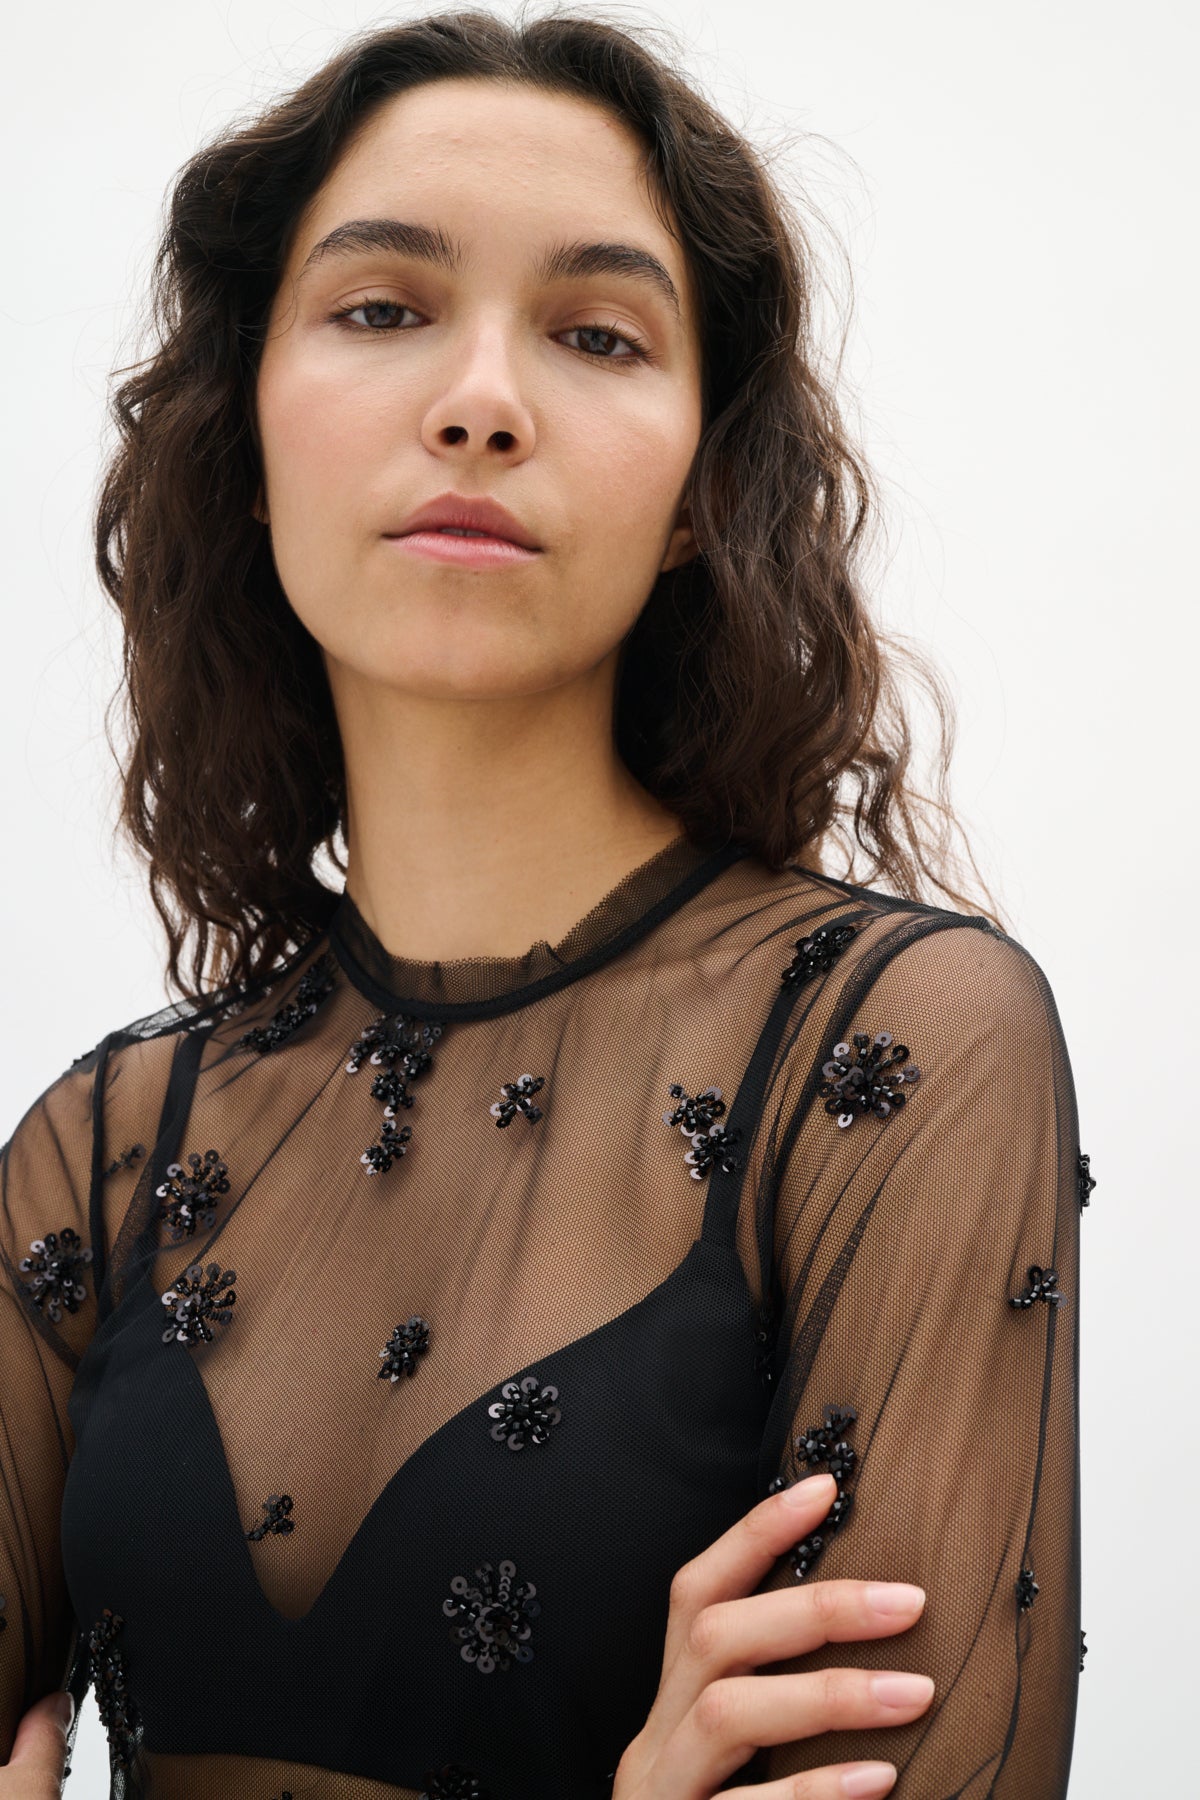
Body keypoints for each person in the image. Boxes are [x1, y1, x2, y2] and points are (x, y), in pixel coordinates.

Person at [0, 9, 1085, 1798]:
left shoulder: (894, 1051)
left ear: (695, 492)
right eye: (379, 308)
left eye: (596, 335)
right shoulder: (105, 1151)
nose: (482, 399)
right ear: (246, 425)